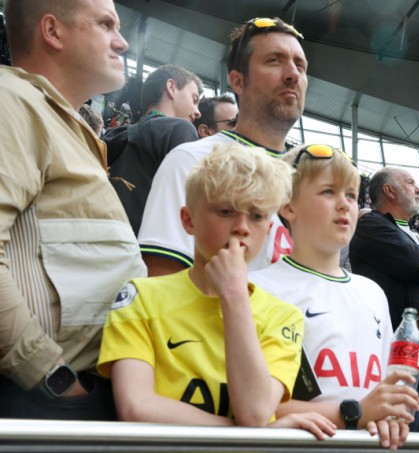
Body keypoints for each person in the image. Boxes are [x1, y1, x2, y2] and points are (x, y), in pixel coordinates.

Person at [98, 143, 333, 435]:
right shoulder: (141, 298)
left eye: (257, 216)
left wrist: (234, 296)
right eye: (225, 211)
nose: (242, 227)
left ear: (269, 230)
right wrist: (258, 433)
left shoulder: (284, 317)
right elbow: (136, 408)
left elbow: (255, 411)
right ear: (188, 220)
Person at [0, 0, 146, 420]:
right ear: (52, 31)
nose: (122, 42)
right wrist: (54, 379)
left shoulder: (53, 117)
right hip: (46, 401)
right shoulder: (13, 101)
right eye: (105, 24)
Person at [249, 144, 418, 449]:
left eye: (351, 195)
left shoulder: (373, 293)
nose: (344, 205)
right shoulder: (256, 289)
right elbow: (247, 408)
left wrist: (390, 416)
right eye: (328, 192)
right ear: (288, 206)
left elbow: (382, 395)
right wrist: (354, 414)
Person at [138, 17, 306, 277]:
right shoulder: (192, 161)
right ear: (238, 82)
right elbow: (162, 281)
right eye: (274, 60)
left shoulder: (312, 183)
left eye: (300, 65)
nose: (293, 74)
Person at [104, 64, 203, 235]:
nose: (198, 112)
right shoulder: (179, 128)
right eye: (194, 100)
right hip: (152, 245)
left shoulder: (113, 137)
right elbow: (191, 201)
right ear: (171, 87)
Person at [350, 167, 419, 328]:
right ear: (389, 190)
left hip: (418, 332)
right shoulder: (370, 225)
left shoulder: (413, 234)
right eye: (410, 183)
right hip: (390, 333)